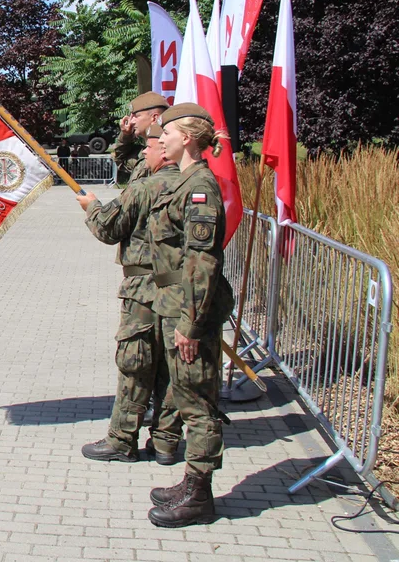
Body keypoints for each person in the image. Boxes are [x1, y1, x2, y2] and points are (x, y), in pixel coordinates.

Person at [145, 103, 235, 528]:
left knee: (198, 405)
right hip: (174, 305)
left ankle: (200, 496)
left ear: (190, 138)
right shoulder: (184, 182)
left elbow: (203, 263)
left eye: (168, 132)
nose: (161, 138)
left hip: (189, 312)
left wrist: (190, 325)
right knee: (185, 398)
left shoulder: (200, 187)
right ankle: (191, 481)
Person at [76, 124, 182, 465]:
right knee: (170, 366)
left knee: (135, 363)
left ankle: (122, 439)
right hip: (180, 289)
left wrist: (91, 207)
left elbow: (109, 228)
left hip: (144, 289)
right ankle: (166, 442)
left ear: (163, 150)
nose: (145, 154)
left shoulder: (145, 188)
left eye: (150, 148)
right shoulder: (196, 182)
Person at [113, 92, 170, 185]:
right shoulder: (144, 153)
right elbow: (121, 160)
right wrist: (126, 135)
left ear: (154, 118)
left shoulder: (168, 152)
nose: (131, 121)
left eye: (136, 116)